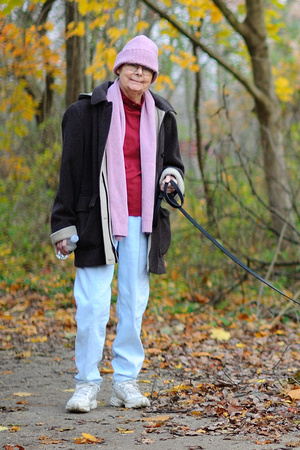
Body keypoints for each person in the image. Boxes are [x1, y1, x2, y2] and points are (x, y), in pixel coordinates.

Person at [50, 35, 185, 413]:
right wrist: (63, 224)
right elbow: (69, 174)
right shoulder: (84, 113)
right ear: (119, 68)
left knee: (133, 305)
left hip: (144, 221)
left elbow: (173, 162)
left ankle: (125, 382)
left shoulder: (161, 115)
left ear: (153, 75)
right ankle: (86, 384)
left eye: (146, 67)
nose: (139, 72)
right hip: (96, 219)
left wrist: (170, 179)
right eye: (132, 65)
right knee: (92, 306)